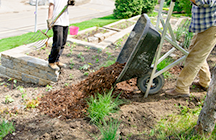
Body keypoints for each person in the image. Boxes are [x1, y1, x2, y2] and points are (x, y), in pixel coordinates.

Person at [166, 0, 216, 97]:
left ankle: (181, 89)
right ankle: (205, 82)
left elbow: (206, 2)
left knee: (194, 58)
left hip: (211, 27)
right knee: (196, 54)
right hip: (204, 26)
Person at [47, 0, 75, 70]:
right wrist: (49, 19)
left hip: (65, 21)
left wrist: (71, 2)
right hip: (57, 22)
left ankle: (56, 60)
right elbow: (51, 6)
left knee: (63, 43)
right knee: (57, 43)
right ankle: (51, 61)